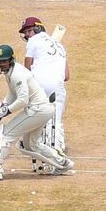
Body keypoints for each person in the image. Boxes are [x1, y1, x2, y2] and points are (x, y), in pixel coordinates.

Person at [0, 45, 74, 181]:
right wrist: (1, 106)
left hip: (37, 110)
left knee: (5, 134)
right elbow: (12, 94)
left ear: (11, 60)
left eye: (4, 61)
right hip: (43, 109)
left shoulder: (17, 74)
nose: (2, 64)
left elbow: (23, 100)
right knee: (30, 145)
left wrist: (5, 111)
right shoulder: (10, 72)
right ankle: (63, 163)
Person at [18, 16, 70, 153]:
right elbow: (66, 76)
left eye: (29, 31)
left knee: (36, 114)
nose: (28, 35)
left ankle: (33, 142)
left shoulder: (33, 42)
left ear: (37, 28)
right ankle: (58, 147)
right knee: (56, 119)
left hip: (41, 84)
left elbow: (27, 68)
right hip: (58, 87)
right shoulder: (60, 46)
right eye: (26, 32)